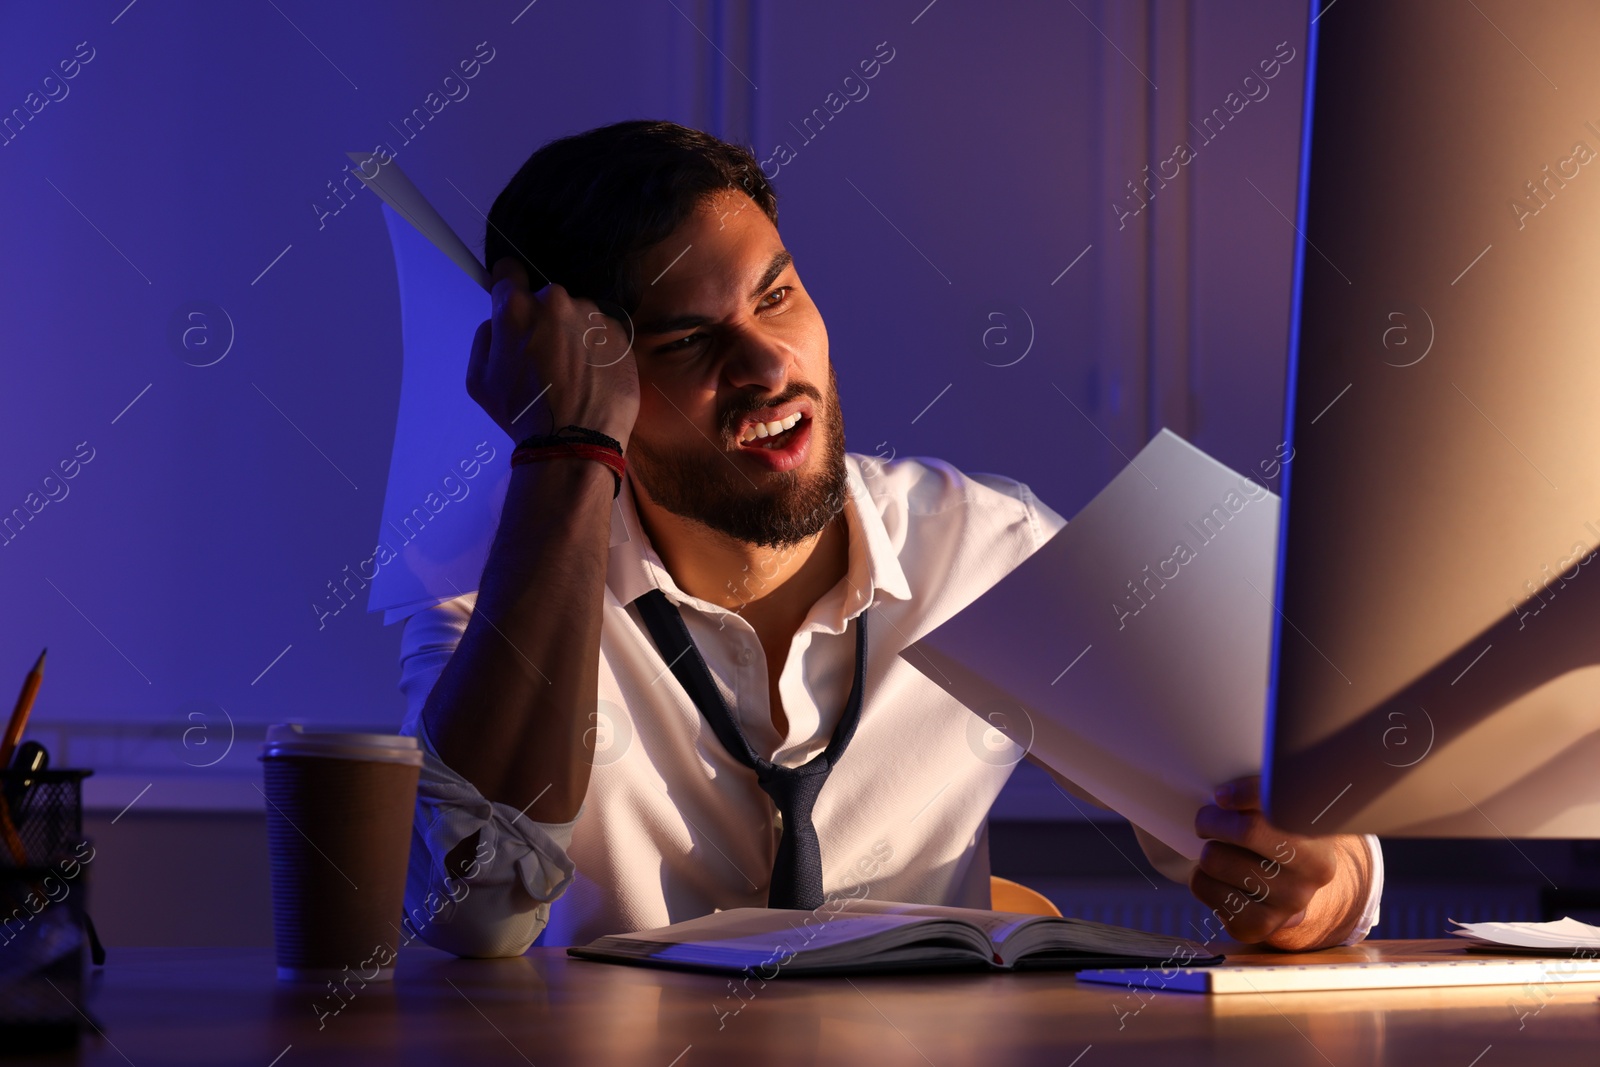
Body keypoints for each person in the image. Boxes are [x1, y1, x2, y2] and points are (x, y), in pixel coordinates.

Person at [395, 119, 1381, 957]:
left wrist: (1325, 882)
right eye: (688, 341)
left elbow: (1288, 813)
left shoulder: (982, 551)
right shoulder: (487, 588)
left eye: (776, 296)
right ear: (586, 376)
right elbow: (476, 908)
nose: (766, 365)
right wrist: (563, 450)